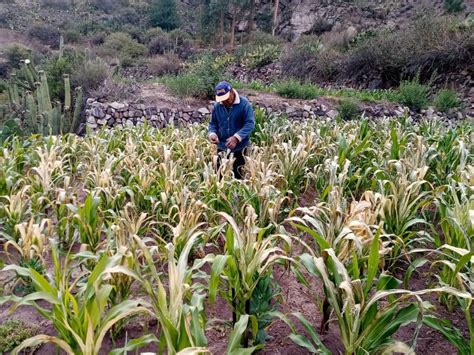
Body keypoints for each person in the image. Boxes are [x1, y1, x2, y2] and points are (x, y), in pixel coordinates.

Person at [208, 81, 255, 179]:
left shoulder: (244, 104)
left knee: (238, 176)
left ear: (232, 92)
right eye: (221, 99)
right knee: (218, 175)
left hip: (240, 148)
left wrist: (236, 138)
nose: (223, 102)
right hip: (222, 147)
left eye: (225, 98)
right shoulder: (218, 106)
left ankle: (237, 194)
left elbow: (250, 124)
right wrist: (212, 134)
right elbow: (213, 123)